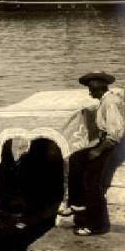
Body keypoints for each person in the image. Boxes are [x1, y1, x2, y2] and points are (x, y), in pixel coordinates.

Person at [59, 72, 125, 236]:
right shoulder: (105, 100)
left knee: (92, 181)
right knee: (75, 158)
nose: (90, 93)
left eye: (91, 89)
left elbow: (115, 133)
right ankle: (77, 204)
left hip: (112, 145)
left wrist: (98, 150)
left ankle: (98, 225)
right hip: (106, 142)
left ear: (100, 87)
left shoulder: (110, 102)